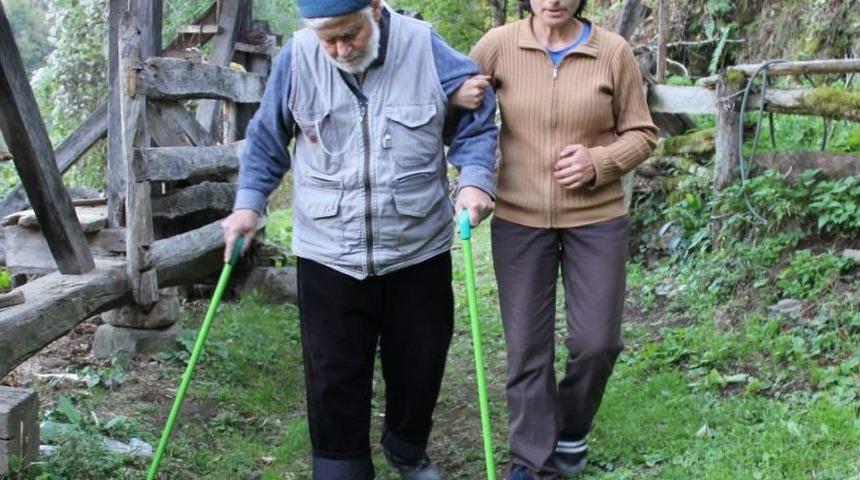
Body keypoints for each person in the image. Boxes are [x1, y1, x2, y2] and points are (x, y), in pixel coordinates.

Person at [220, 1, 498, 479]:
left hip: (416, 247)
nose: (340, 49)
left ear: (374, 9)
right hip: (328, 248)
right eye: (328, 39)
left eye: (350, 34)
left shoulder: (422, 44)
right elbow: (268, 137)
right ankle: (340, 464)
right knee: (332, 373)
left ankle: (407, 446)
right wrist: (248, 204)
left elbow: (478, 113)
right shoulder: (298, 56)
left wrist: (474, 178)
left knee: (420, 364)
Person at [463, 0, 658, 478]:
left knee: (598, 342)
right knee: (528, 347)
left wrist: (600, 161)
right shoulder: (497, 45)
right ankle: (532, 462)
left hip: (597, 217)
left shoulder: (613, 52)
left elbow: (642, 133)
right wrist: (456, 98)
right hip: (520, 216)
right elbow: (462, 116)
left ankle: (569, 428)